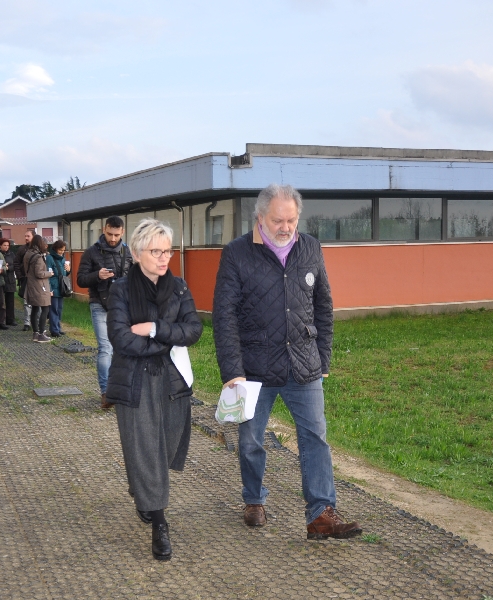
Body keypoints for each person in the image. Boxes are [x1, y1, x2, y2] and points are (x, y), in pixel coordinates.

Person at [212, 183, 362, 540]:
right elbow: (225, 316)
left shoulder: (310, 247)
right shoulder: (236, 253)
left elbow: (323, 305)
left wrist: (323, 356)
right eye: (278, 220)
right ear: (260, 217)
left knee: (316, 439)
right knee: (251, 441)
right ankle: (254, 499)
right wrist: (232, 371)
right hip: (254, 369)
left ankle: (321, 514)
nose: (286, 227)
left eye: (292, 220)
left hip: (303, 365)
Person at [106, 219, 202, 561]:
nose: (164, 258)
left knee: (167, 443)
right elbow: (120, 338)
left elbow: (193, 329)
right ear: (136, 253)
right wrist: (164, 341)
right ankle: (159, 524)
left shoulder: (178, 287)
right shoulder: (119, 290)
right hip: (135, 381)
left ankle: (143, 487)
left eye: (167, 251)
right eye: (156, 251)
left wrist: (154, 329)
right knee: (147, 448)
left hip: (174, 380)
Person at [76, 216, 132, 408]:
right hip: (99, 304)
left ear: (123, 232)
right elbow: (81, 280)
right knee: (105, 348)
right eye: (110, 234)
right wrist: (97, 275)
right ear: (104, 229)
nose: (113, 238)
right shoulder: (91, 252)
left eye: (117, 235)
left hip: (123, 307)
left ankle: (119, 389)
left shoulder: (129, 252)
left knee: (121, 349)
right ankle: (106, 393)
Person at [24, 236, 52, 342]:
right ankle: (41, 333)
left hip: (30, 284)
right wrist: (49, 273)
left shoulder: (27, 254)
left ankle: (35, 333)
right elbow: (39, 273)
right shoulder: (38, 257)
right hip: (40, 286)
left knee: (35, 308)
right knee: (45, 308)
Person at [46, 240, 70, 337]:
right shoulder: (49, 258)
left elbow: (64, 273)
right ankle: (54, 330)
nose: (62, 252)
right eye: (60, 250)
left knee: (59, 309)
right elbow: (47, 275)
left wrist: (68, 270)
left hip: (61, 287)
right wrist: (50, 289)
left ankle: (58, 328)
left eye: (63, 250)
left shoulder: (63, 258)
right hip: (54, 286)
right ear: (55, 248)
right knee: (54, 309)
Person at [13, 230, 35, 330]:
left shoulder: (38, 249)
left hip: (36, 279)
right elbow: (16, 263)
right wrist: (20, 276)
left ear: (33, 237)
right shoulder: (22, 249)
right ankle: (27, 323)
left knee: (37, 301)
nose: (26, 238)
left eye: (28, 236)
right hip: (25, 279)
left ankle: (36, 321)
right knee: (26, 302)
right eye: (25, 236)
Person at [0, 238, 16, 329]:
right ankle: (0, 320)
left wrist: (8, 268)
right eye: (4, 245)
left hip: (10, 280)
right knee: (0, 301)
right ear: (0, 246)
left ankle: (10, 319)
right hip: (1, 279)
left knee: (10, 301)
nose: (6, 247)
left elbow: (15, 265)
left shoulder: (12, 254)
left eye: (8, 245)